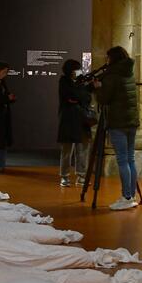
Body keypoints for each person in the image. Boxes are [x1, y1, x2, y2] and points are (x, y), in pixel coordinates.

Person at [94, 46, 140, 211]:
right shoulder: (128, 73)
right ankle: (131, 195)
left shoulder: (112, 76)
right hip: (131, 122)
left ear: (112, 58)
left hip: (118, 123)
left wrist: (98, 88)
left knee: (122, 159)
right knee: (130, 158)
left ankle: (126, 197)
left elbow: (105, 99)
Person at [57, 59, 93, 187]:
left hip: (82, 120)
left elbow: (86, 98)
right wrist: (79, 96)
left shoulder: (81, 82)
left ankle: (81, 175)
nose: (78, 72)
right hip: (68, 120)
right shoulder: (64, 81)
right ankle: (64, 176)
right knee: (67, 150)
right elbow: (70, 96)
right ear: (69, 71)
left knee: (82, 149)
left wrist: (78, 97)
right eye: (75, 69)